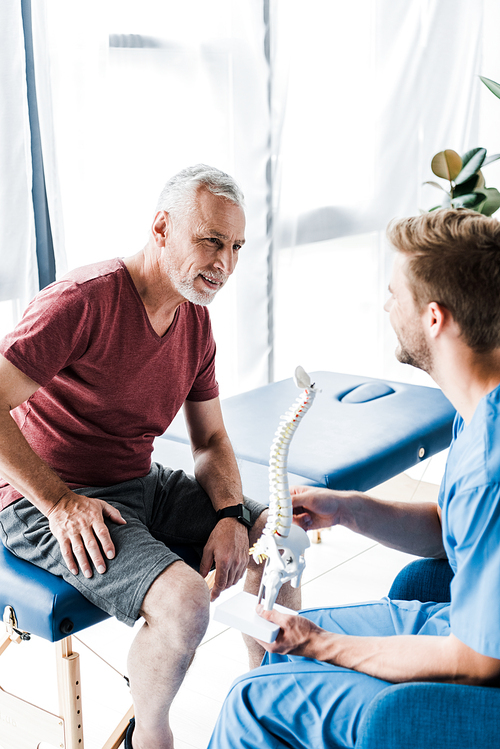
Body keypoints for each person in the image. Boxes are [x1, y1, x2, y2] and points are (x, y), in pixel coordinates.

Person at [0, 165, 298, 749]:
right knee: (186, 602)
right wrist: (60, 502)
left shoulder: (195, 322)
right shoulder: (82, 302)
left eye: (235, 246)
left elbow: (209, 441)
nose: (225, 264)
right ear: (162, 227)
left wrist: (230, 516)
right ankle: (151, 738)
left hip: (137, 481)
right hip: (42, 499)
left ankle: (267, 707)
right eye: (210, 240)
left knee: (275, 536)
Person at [208, 208, 500, 749]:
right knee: (277, 650)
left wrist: (323, 645)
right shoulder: (481, 401)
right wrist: (349, 509)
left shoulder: (492, 465)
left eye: (395, 293)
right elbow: (451, 526)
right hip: (458, 624)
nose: (386, 303)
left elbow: (477, 660)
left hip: (472, 665)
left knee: (251, 701)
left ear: (434, 318)